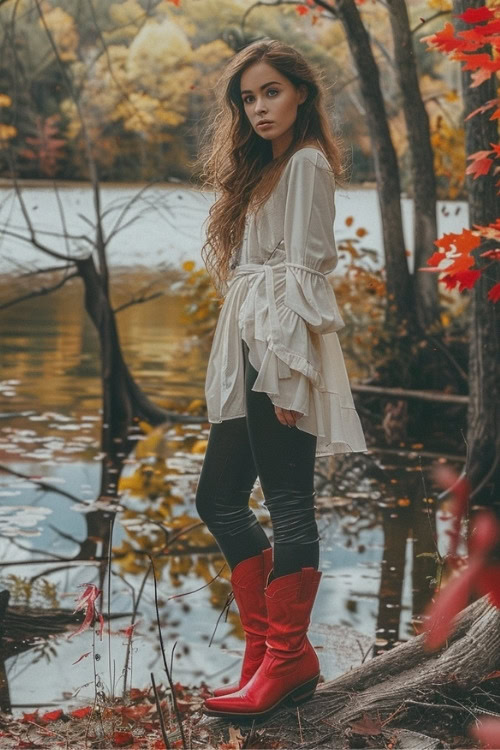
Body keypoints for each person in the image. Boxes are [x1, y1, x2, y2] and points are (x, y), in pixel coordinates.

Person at [194, 38, 368, 723]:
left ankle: (288, 659)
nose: (260, 107)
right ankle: (266, 653)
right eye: (248, 97)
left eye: (271, 91)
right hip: (249, 347)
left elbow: (305, 275)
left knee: (290, 501)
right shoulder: (262, 169)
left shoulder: (306, 165)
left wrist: (289, 376)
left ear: (300, 93)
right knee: (219, 498)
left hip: (280, 352)